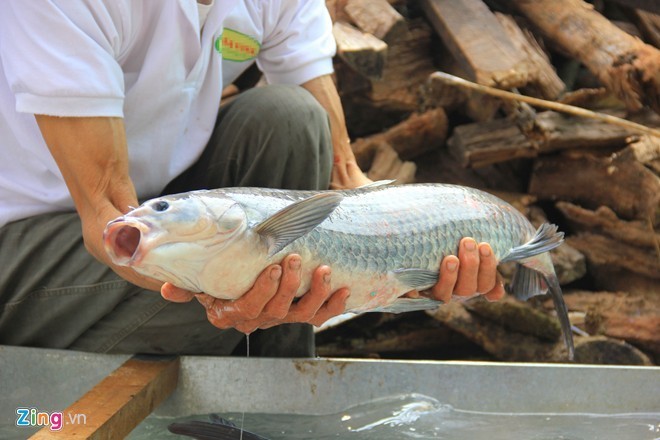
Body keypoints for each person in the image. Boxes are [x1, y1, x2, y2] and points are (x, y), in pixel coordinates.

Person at [0, 0, 504, 356]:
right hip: (29, 238)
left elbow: (344, 176)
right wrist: (228, 296)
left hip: (171, 208)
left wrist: (398, 266)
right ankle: (51, 395)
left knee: (290, 117)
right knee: (231, 285)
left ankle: (276, 389)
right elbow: (110, 219)